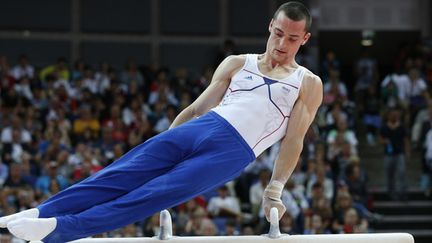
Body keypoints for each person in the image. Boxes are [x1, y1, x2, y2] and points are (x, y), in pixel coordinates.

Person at [0, 2, 322, 242]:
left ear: (304, 39)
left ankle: (59, 230)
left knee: (152, 194)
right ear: (270, 26)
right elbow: (197, 108)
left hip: (232, 152)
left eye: (292, 39)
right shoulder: (238, 62)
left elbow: (294, 140)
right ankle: (42, 212)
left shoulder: (307, 83)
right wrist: (167, 144)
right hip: (201, 126)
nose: (282, 44)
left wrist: (274, 189)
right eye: (278, 33)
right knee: (122, 173)